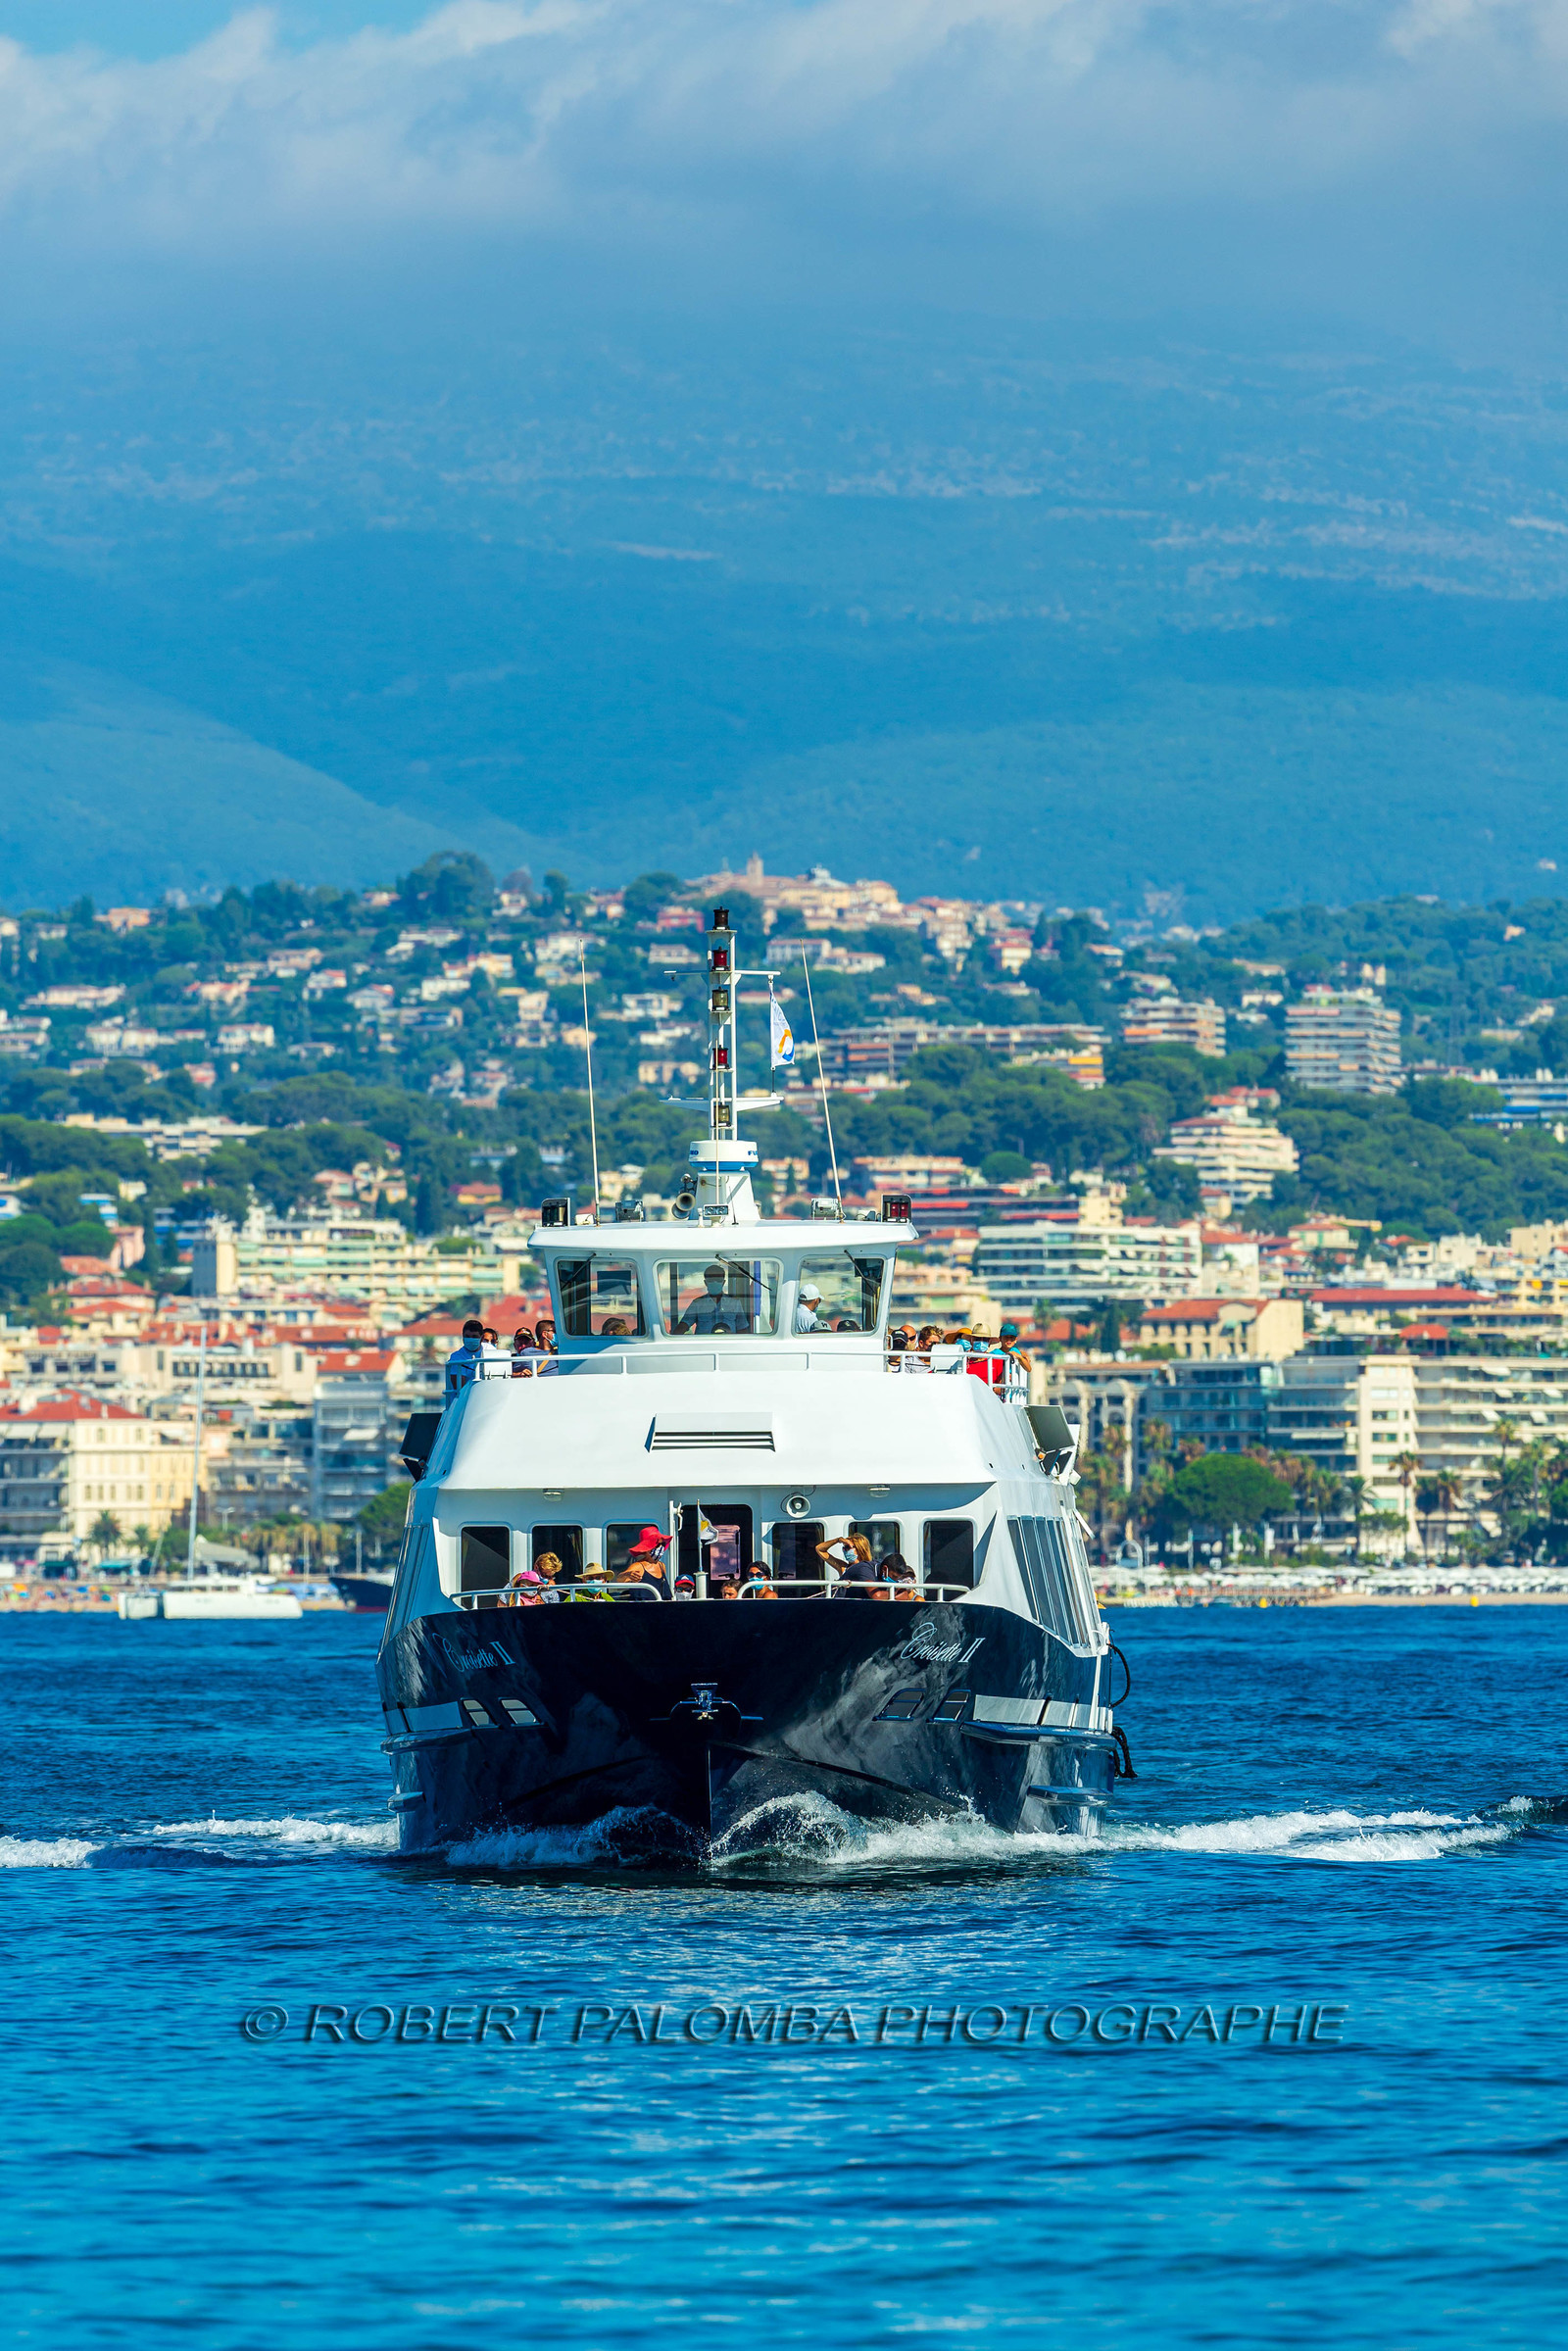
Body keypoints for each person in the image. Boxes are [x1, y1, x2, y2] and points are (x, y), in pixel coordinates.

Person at [674, 1264, 750, 1336]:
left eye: (718, 1279)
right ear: (705, 1282)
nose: (715, 1282)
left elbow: (742, 1329)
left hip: (728, 1347)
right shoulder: (697, 1304)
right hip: (704, 1347)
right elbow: (683, 1325)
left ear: (723, 1282)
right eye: (711, 1279)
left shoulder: (734, 1303)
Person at [443, 1318, 487, 1397]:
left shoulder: (490, 1352)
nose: (470, 1339)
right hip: (464, 1402)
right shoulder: (456, 1358)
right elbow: (460, 1390)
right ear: (462, 1336)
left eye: (474, 1336)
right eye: (467, 1336)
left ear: (482, 1338)